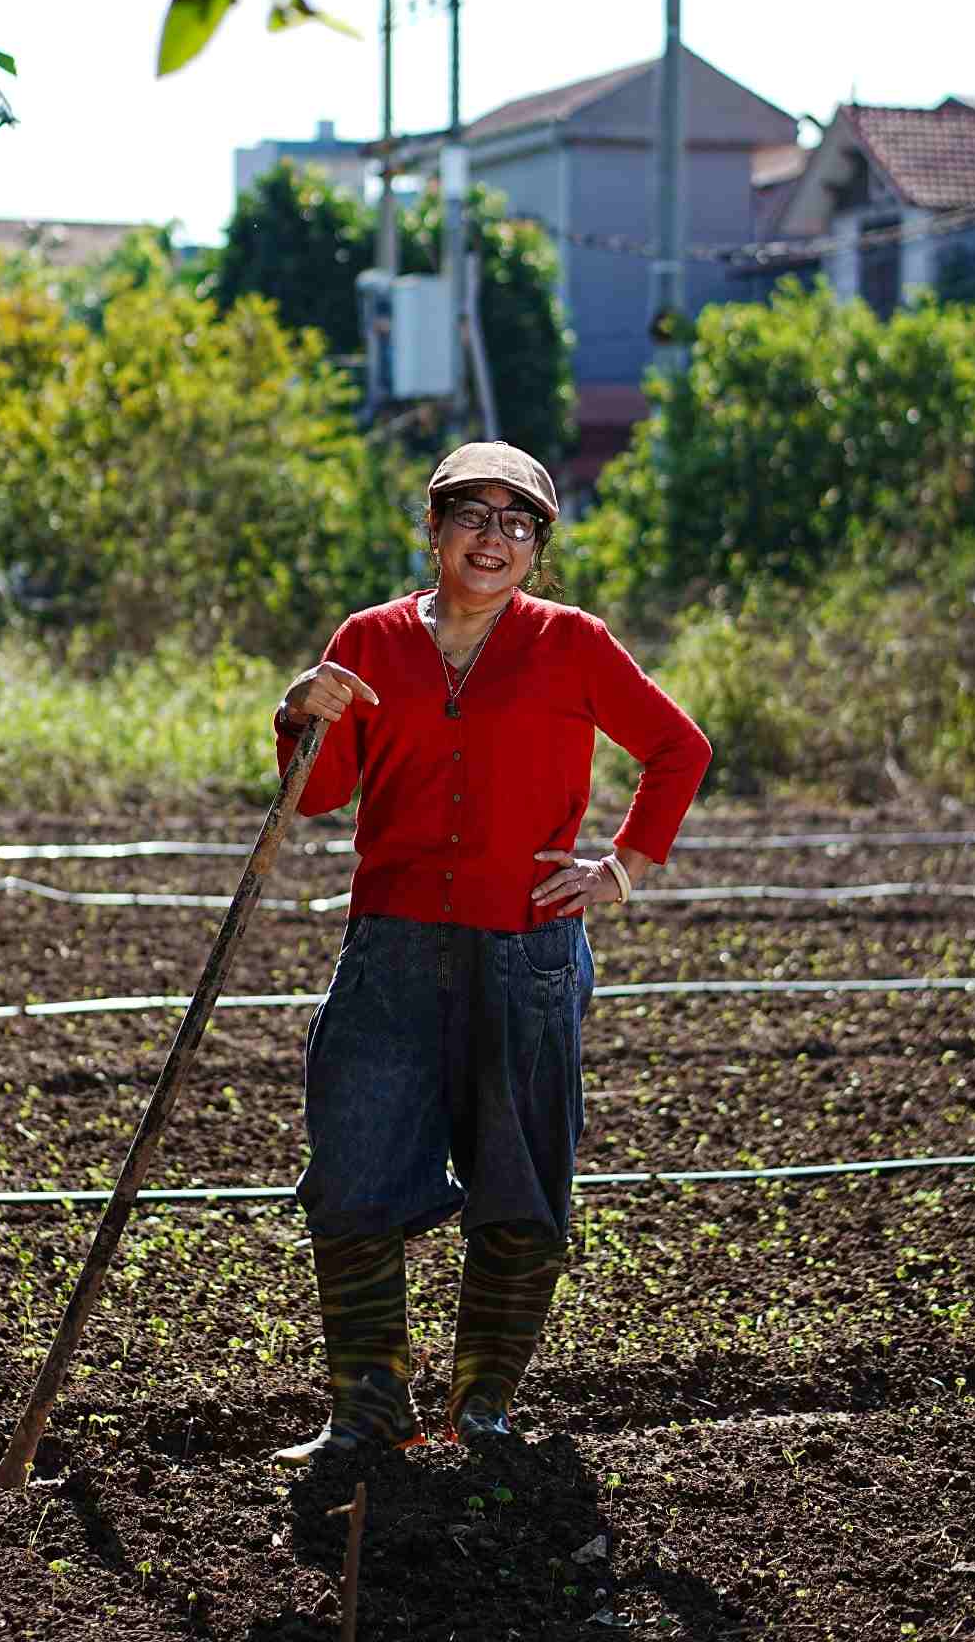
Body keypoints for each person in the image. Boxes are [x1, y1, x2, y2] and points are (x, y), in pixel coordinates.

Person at [270, 440, 712, 1464]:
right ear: (433, 528)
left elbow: (678, 747)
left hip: (527, 949)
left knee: (520, 1178)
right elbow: (320, 793)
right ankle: (368, 1410)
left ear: (537, 548)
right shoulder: (369, 640)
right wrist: (300, 712)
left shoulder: (571, 642)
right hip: (391, 947)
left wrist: (620, 868)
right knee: (352, 1167)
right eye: (472, 514)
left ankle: (483, 1409)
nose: (493, 538)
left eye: (518, 523)